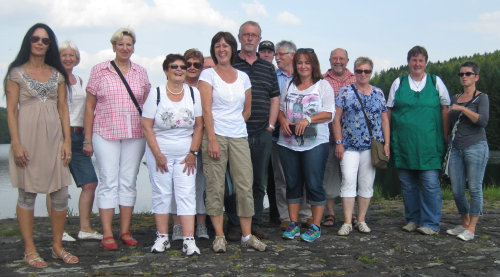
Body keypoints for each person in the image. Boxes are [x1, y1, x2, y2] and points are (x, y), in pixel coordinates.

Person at [5, 23, 78, 268]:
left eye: (45, 40)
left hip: (55, 140)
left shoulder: (57, 74)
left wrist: (67, 141)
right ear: (28, 41)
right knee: (27, 193)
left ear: (50, 45)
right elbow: (12, 112)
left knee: (60, 194)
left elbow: (63, 109)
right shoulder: (15, 73)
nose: (39, 43)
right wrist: (15, 143)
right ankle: (29, 249)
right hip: (27, 140)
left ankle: (57, 246)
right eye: (35, 38)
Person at [199, 31, 267, 253]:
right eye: (217, 45)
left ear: (232, 48)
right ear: (214, 50)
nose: (222, 49)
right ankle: (219, 236)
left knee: (244, 185)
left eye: (225, 45)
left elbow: (246, 110)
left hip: (239, 136)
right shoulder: (208, 75)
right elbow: (206, 109)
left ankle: (247, 235)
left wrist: (235, 125)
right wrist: (212, 140)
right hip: (215, 135)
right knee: (216, 186)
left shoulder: (243, 77)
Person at [84, 27, 151, 250]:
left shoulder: (141, 72)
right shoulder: (99, 70)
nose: (124, 48)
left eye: (129, 44)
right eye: (120, 44)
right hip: (105, 133)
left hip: (135, 134)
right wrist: (87, 138)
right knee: (108, 181)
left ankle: (124, 230)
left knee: (128, 181)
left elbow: (147, 104)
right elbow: (90, 106)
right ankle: (106, 233)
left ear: (133, 48)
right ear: (113, 46)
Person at [142, 54, 203, 255]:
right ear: (166, 70)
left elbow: (199, 125)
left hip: (186, 155)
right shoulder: (156, 93)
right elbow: (147, 125)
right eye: (174, 66)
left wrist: (193, 152)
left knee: (186, 195)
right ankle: (162, 238)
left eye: (182, 67)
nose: (179, 70)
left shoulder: (193, 93)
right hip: (160, 154)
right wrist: (157, 154)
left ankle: (188, 240)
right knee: (162, 194)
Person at [225, 21, 280, 241]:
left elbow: (274, 98)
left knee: (258, 181)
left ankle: (255, 223)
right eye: (246, 35)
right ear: (239, 38)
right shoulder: (230, 64)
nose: (250, 38)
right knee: (235, 182)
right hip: (235, 132)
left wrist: (271, 126)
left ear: (259, 39)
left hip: (261, 131)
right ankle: (236, 225)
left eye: (254, 35)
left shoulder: (268, 67)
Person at [387, 46, 450, 235]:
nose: (417, 64)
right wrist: (388, 140)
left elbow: (445, 109)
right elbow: (388, 111)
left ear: (426, 62)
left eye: (421, 60)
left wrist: (445, 136)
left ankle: (430, 223)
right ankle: (413, 219)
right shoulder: (398, 82)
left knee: (430, 184)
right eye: (414, 60)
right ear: (408, 62)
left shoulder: (435, 81)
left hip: (430, 144)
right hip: (403, 144)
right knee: (408, 185)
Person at [46, 40, 102, 242]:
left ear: (77, 59)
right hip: (58, 136)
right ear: (57, 58)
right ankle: (58, 231)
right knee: (57, 186)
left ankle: (85, 228)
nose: (68, 58)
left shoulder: (79, 80)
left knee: (90, 182)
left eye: (72, 55)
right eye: (64, 55)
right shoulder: (51, 79)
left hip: (79, 136)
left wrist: (88, 139)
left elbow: (88, 110)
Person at [279, 48, 335, 242]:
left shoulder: (323, 85)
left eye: (307, 62)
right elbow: (280, 109)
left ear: (314, 65)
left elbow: (329, 113)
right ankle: (293, 224)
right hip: (288, 142)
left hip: (315, 143)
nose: (303, 66)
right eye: (300, 63)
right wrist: (283, 121)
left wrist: (308, 120)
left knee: (313, 183)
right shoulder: (288, 85)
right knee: (292, 183)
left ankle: (315, 226)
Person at [333, 57, 390, 236]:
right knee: (348, 180)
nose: (363, 74)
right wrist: (339, 142)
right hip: (349, 145)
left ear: (371, 72)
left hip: (371, 146)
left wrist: (387, 143)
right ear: (354, 72)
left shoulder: (379, 93)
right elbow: (336, 119)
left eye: (366, 71)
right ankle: (348, 222)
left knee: (366, 183)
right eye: (359, 71)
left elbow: (384, 119)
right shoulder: (345, 92)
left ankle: (362, 220)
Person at [446, 61, 489, 241]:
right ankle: (464, 223)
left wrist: (463, 108)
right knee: (456, 190)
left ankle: (471, 228)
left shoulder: (482, 98)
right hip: (456, 147)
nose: (464, 77)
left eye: (468, 74)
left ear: (476, 77)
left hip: (476, 146)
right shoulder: (455, 97)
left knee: (474, 188)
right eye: (461, 74)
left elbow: (482, 121)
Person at [273, 40, 313, 231]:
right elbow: (275, 105)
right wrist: (280, 121)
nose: (277, 57)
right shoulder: (275, 77)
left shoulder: (308, 77)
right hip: (282, 135)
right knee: (283, 178)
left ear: (292, 55)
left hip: (307, 136)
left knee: (305, 176)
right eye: (276, 54)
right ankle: (286, 216)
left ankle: (305, 215)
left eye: (280, 54)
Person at [170, 49, 209, 242]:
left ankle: (200, 223)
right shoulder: (175, 87)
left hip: (202, 142)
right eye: (188, 64)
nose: (192, 68)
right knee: (178, 185)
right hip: (180, 143)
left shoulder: (204, 87)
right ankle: (178, 225)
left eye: (197, 65)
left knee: (200, 184)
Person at [322, 48, 356, 227]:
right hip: (328, 136)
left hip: (352, 138)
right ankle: (330, 213)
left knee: (350, 176)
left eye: (341, 58)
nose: (338, 61)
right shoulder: (322, 80)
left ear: (347, 60)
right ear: (329, 60)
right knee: (330, 174)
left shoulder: (355, 79)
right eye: (335, 58)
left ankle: (351, 213)